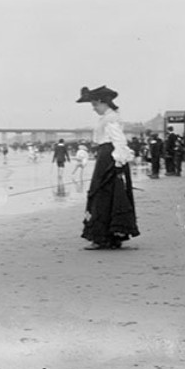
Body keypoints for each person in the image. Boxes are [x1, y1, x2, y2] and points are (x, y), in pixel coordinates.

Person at [76, 85, 140, 249]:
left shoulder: (110, 118)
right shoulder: (110, 116)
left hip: (109, 157)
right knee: (113, 195)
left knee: (102, 194)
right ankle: (112, 236)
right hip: (109, 156)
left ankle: (101, 237)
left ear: (102, 102)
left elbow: (118, 140)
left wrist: (118, 161)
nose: (94, 109)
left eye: (95, 105)